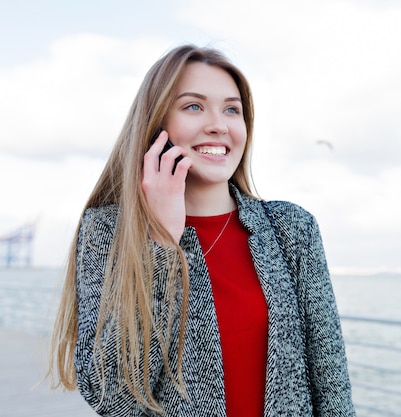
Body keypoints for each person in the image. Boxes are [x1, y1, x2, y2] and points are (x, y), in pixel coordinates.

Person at [48, 43, 355, 417]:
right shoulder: (108, 233)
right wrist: (161, 244)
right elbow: (112, 398)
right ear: (157, 124)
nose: (218, 124)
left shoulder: (292, 230)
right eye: (193, 106)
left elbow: (332, 384)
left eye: (232, 109)